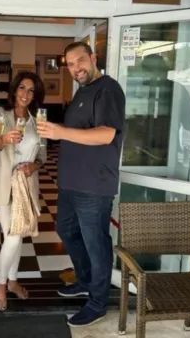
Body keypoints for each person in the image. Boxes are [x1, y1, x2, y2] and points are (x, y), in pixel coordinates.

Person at [36, 42, 125, 328]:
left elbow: (106, 134)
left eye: (80, 61)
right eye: (71, 64)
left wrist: (60, 132)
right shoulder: (82, 92)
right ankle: (85, 281)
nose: (76, 68)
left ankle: (98, 303)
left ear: (93, 58)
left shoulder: (107, 89)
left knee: (96, 243)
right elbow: (80, 132)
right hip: (71, 183)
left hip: (94, 185)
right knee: (67, 231)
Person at [0, 71, 48, 311]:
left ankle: (12, 281)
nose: (26, 94)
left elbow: (42, 152)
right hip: (4, 181)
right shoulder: (0, 114)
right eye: (22, 88)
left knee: (18, 233)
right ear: (14, 90)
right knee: (12, 235)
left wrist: (35, 165)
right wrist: (3, 140)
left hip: (26, 182)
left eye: (31, 90)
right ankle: (2, 285)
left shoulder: (37, 120)